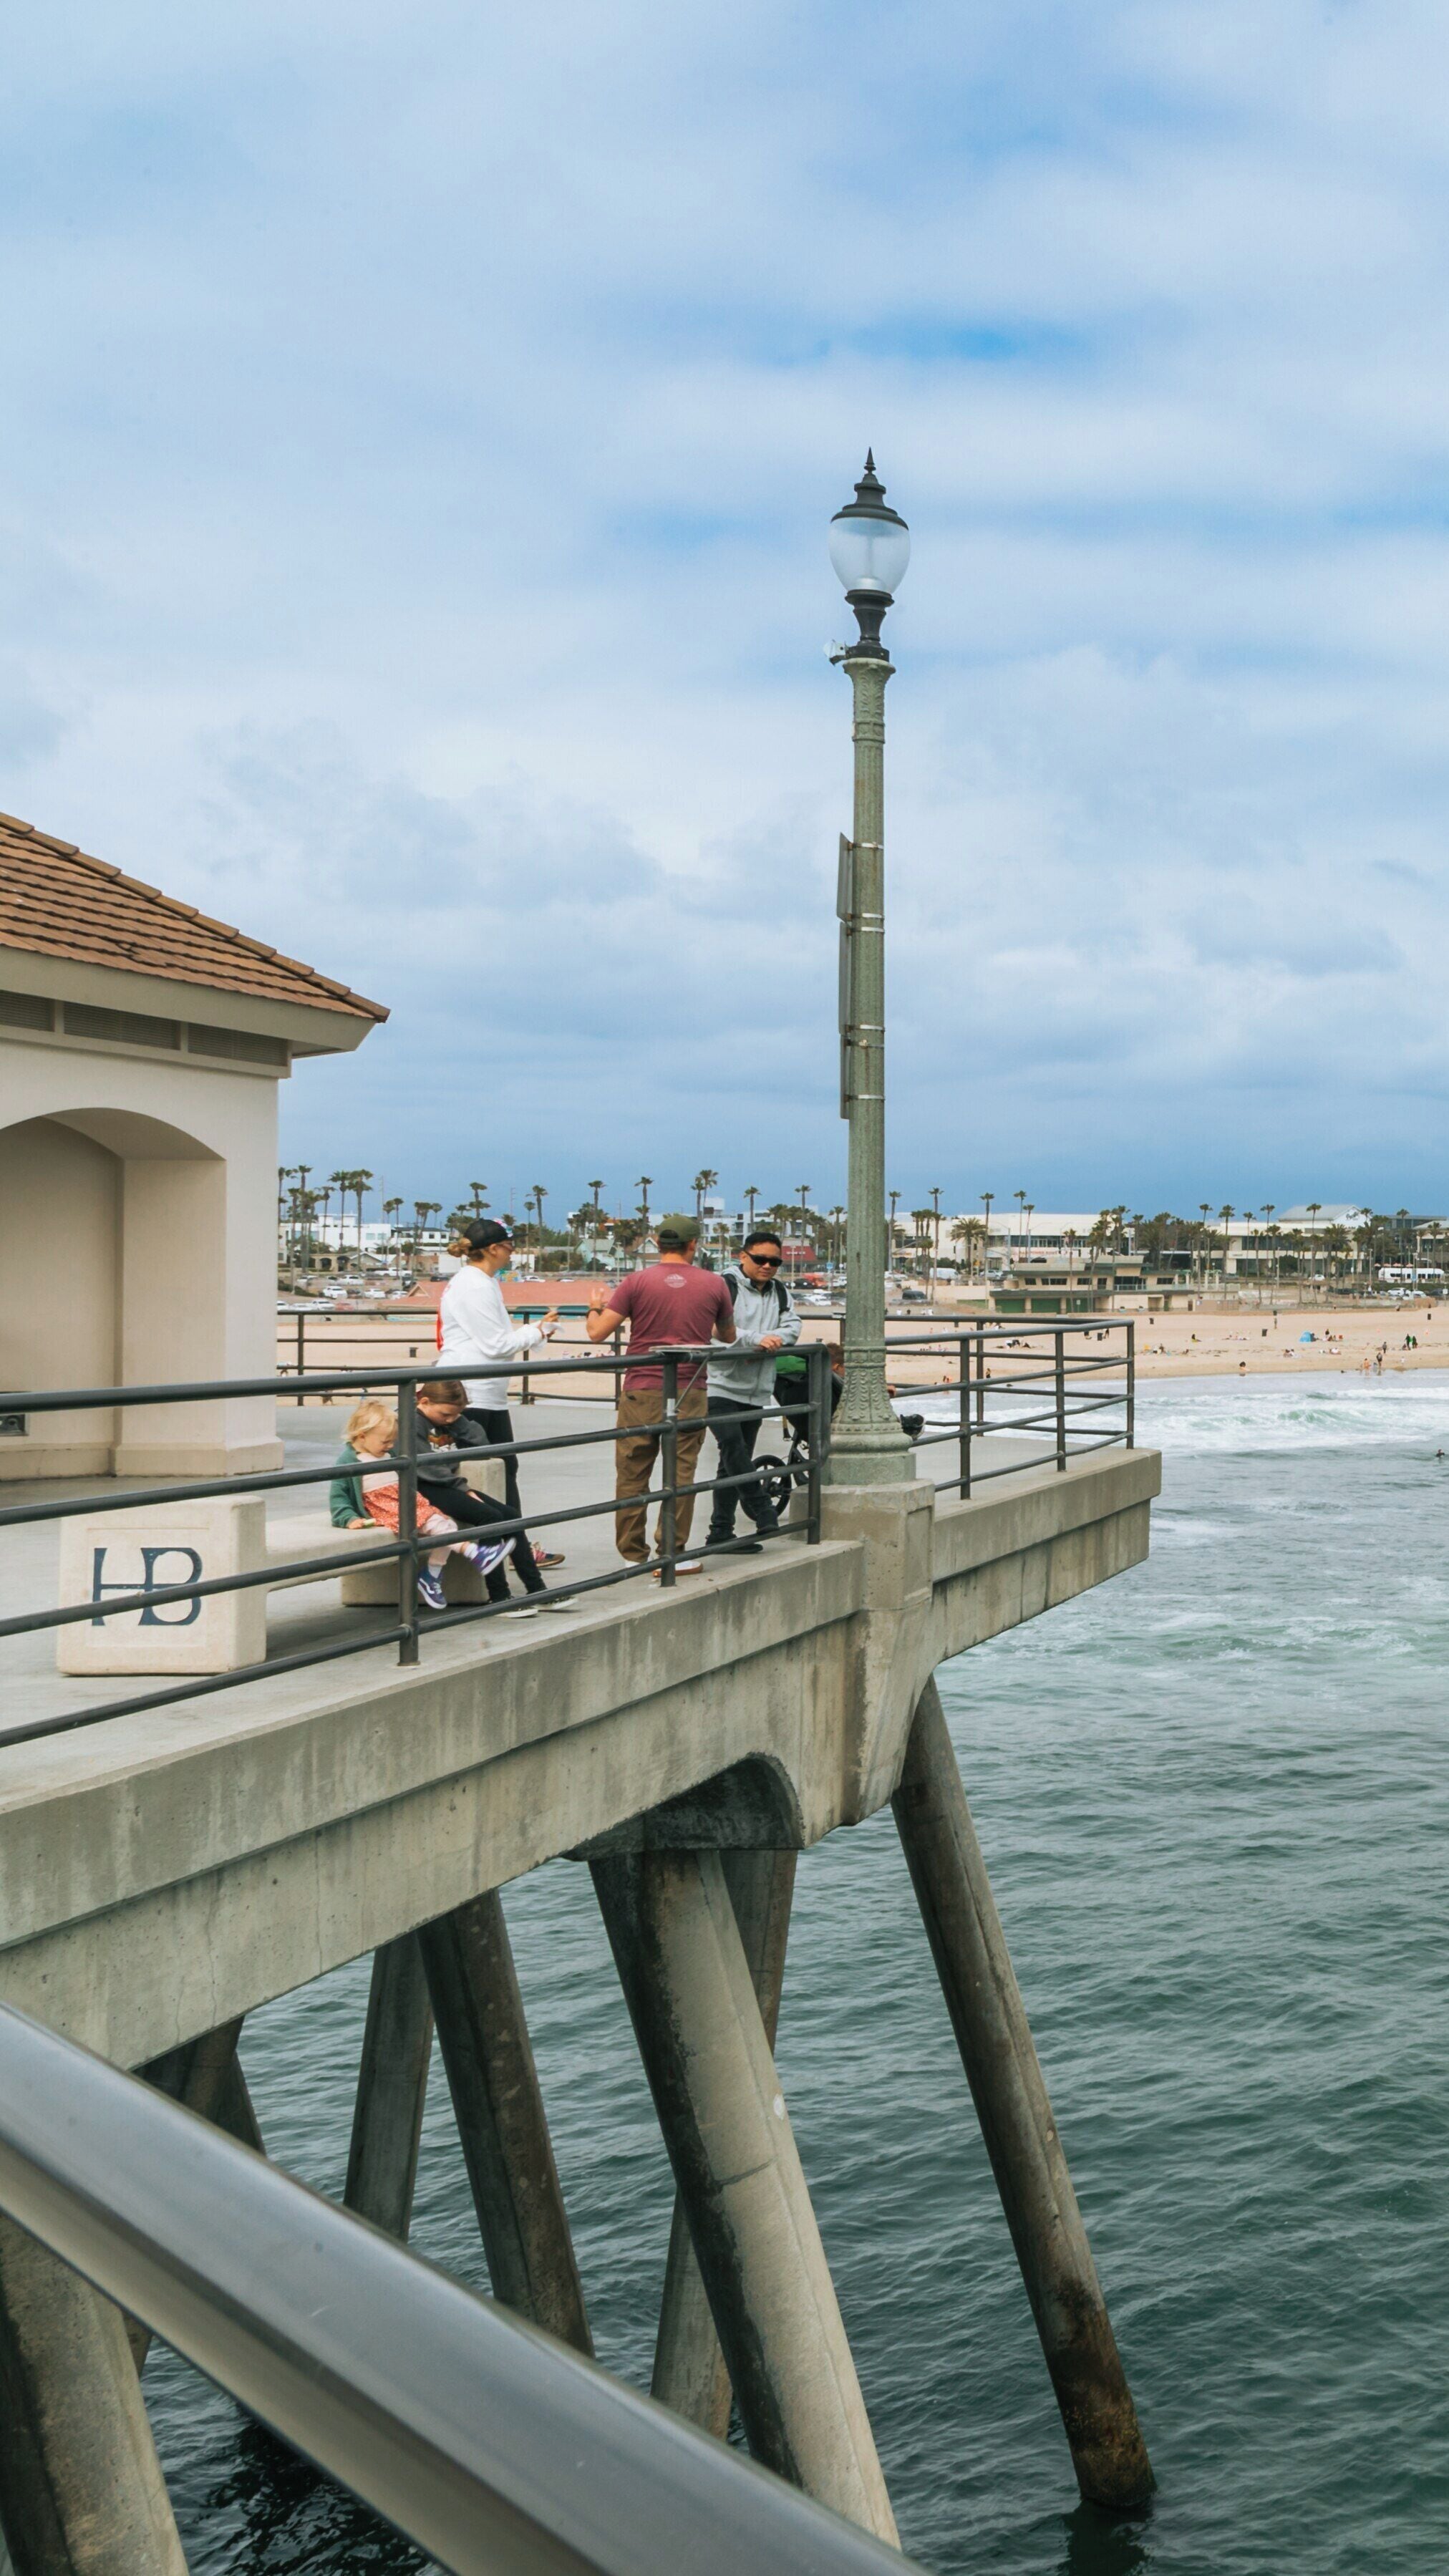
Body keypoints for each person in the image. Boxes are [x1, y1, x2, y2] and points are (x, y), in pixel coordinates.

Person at [586, 1212, 735, 1571]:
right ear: (692, 1245)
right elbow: (728, 1336)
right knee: (681, 1475)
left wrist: (595, 1305)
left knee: (632, 1474)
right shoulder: (715, 1284)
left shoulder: (636, 1282)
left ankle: (632, 1557)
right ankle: (671, 1553)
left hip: (641, 1389)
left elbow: (596, 1334)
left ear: (658, 1244)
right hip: (690, 1388)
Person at [438, 1219, 565, 1573]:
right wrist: (536, 1330)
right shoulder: (474, 1285)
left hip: (486, 1394)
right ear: (493, 1249)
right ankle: (513, 1555)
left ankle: (516, 1550)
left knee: (504, 1472)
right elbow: (495, 1345)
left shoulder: (482, 1283)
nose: (513, 1249)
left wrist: (535, 1334)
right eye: (509, 1244)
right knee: (490, 1477)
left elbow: (495, 1342)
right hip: (473, 1394)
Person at [330, 1398, 510, 1613]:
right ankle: (475, 1552)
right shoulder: (348, 1461)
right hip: (383, 1507)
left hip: (405, 1501)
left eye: (392, 1442)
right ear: (362, 1436)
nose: (389, 1446)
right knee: (437, 1526)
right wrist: (348, 1518)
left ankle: (431, 1575)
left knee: (447, 1524)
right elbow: (338, 1495)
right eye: (385, 1441)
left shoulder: (389, 1454)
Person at [415, 1379, 576, 1614]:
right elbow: (425, 1468)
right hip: (423, 1488)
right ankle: (499, 1597)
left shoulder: (448, 1421)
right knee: (489, 1517)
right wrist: (465, 1490)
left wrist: (458, 1421)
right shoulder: (411, 1423)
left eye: (455, 1415)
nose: (449, 1419)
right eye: (446, 1414)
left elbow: (481, 1443)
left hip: (446, 1486)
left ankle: (537, 1589)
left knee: (511, 1516)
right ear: (425, 1402)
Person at [703, 1230, 800, 1551]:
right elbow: (714, 1330)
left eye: (775, 1261)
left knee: (731, 1460)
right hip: (718, 1383)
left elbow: (793, 1327)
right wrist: (755, 1339)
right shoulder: (723, 1287)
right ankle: (762, 1510)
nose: (768, 1266)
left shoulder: (780, 1292)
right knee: (732, 1447)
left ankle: (721, 1533)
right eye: (761, 1259)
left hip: (756, 1389)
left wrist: (772, 1339)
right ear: (742, 1256)